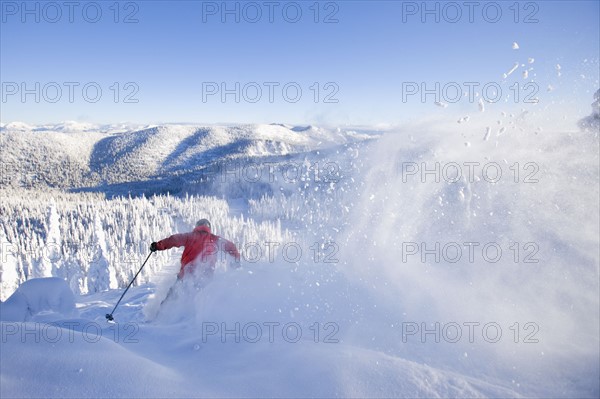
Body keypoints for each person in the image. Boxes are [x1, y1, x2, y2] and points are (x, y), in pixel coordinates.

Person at [150, 219, 241, 281]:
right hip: (206, 278)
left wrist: (157, 246)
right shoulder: (215, 239)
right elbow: (231, 247)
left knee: (171, 300)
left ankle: (163, 309)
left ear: (197, 226)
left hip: (186, 275)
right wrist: (236, 260)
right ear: (209, 228)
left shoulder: (189, 236)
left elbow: (173, 240)